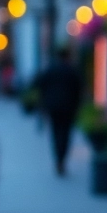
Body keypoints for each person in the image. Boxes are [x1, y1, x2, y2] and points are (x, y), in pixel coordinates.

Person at [36, 47, 83, 176]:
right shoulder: (72, 71)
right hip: (68, 108)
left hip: (53, 107)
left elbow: (40, 86)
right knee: (66, 134)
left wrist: (44, 104)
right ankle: (62, 160)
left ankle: (58, 159)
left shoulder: (50, 70)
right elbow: (79, 90)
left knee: (55, 133)